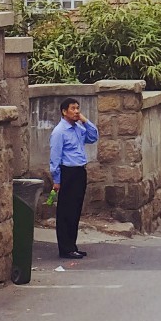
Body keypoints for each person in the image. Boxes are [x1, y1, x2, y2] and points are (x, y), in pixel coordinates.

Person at [49, 98, 98, 261]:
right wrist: (57, 180)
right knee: (66, 211)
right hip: (67, 172)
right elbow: (55, 158)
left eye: (78, 108)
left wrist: (85, 121)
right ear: (64, 111)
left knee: (75, 210)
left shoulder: (78, 128)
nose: (76, 111)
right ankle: (65, 248)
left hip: (79, 171)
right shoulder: (59, 132)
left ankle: (72, 246)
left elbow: (93, 137)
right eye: (73, 108)